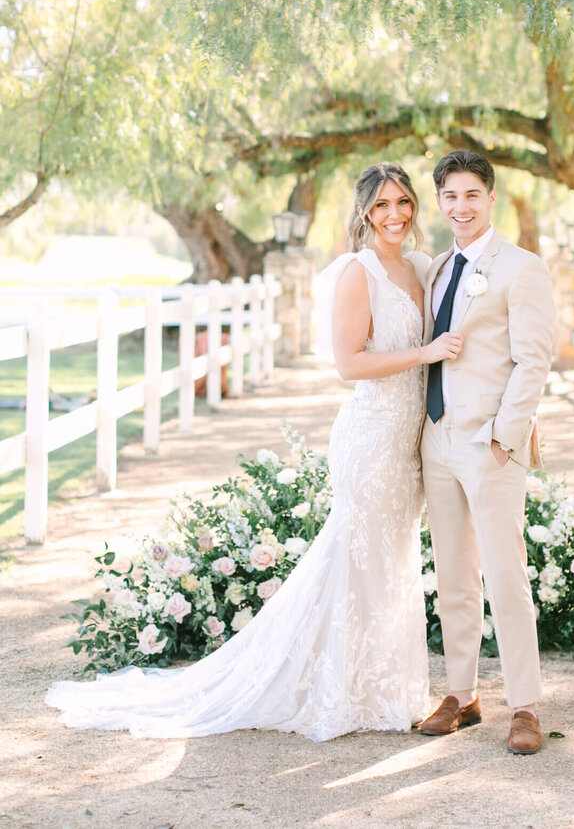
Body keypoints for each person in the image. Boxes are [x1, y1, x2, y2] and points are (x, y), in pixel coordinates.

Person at [46, 162, 462, 741]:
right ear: (364, 212)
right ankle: (340, 694)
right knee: (354, 560)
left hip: (409, 445)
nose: (394, 215)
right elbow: (349, 364)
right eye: (381, 205)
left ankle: (384, 690)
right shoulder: (356, 273)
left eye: (403, 203)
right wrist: (427, 354)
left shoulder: (419, 267)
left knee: (390, 566)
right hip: (370, 438)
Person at [417, 150, 556, 755]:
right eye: (450, 196)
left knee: (505, 574)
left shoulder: (520, 268)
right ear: (441, 202)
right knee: (453, 574)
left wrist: (506, 433)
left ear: (490, 198)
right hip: (437, 438)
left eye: (471, 194)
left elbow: (534, 358)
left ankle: (525, 706)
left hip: (490, 444)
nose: (460, 206)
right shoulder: (440, 267)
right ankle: (462, 692)